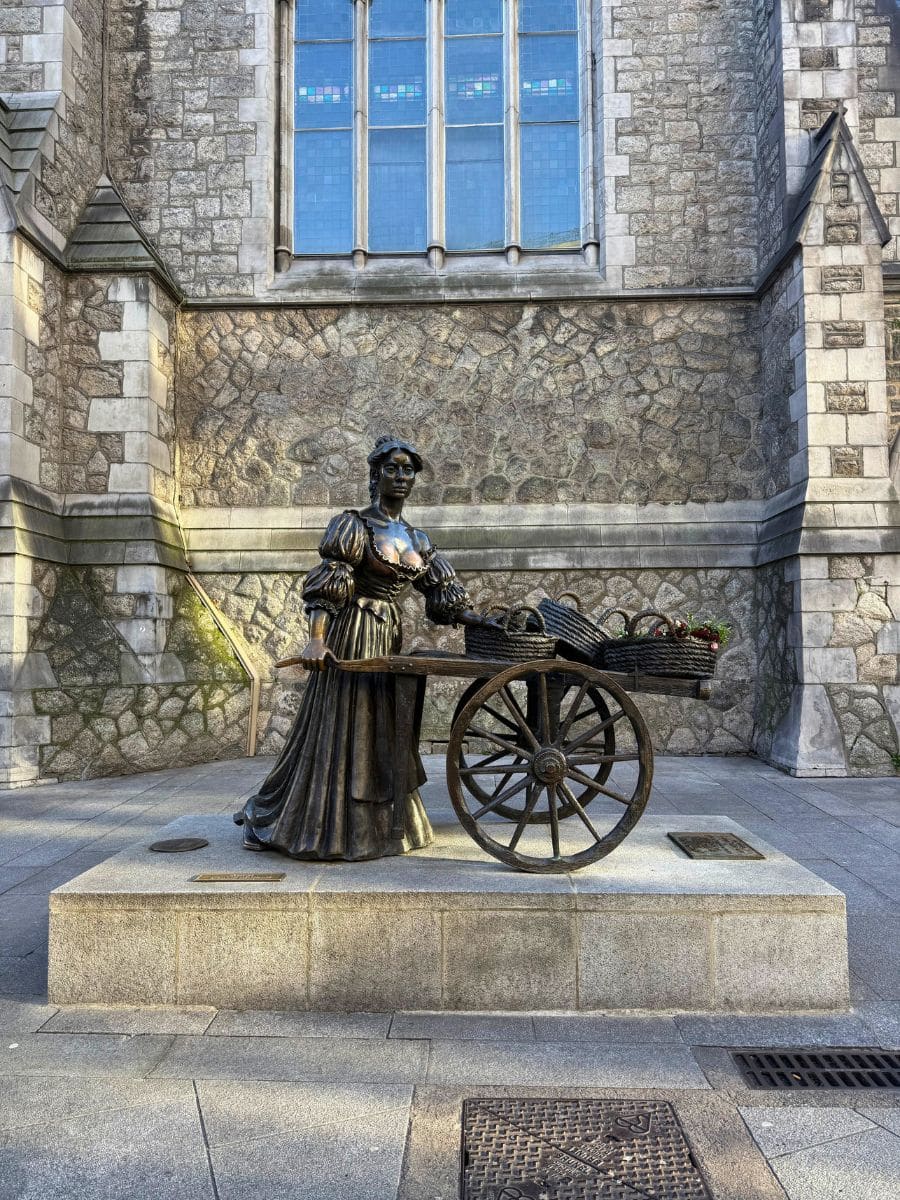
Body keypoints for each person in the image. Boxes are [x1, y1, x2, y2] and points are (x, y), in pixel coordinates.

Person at [234, 436, 479, 860]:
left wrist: (482, 619)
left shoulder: (417, 538)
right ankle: (326, 825)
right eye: (392, 469)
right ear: (375, 475)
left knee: (384, 724)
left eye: (408, 470)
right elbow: (328, 586)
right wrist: (316, 639)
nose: (401, 476)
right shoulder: (353, 525)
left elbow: (442, 596)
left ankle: (386, 824)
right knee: (345, 722)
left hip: (390, 638)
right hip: (353, 634)